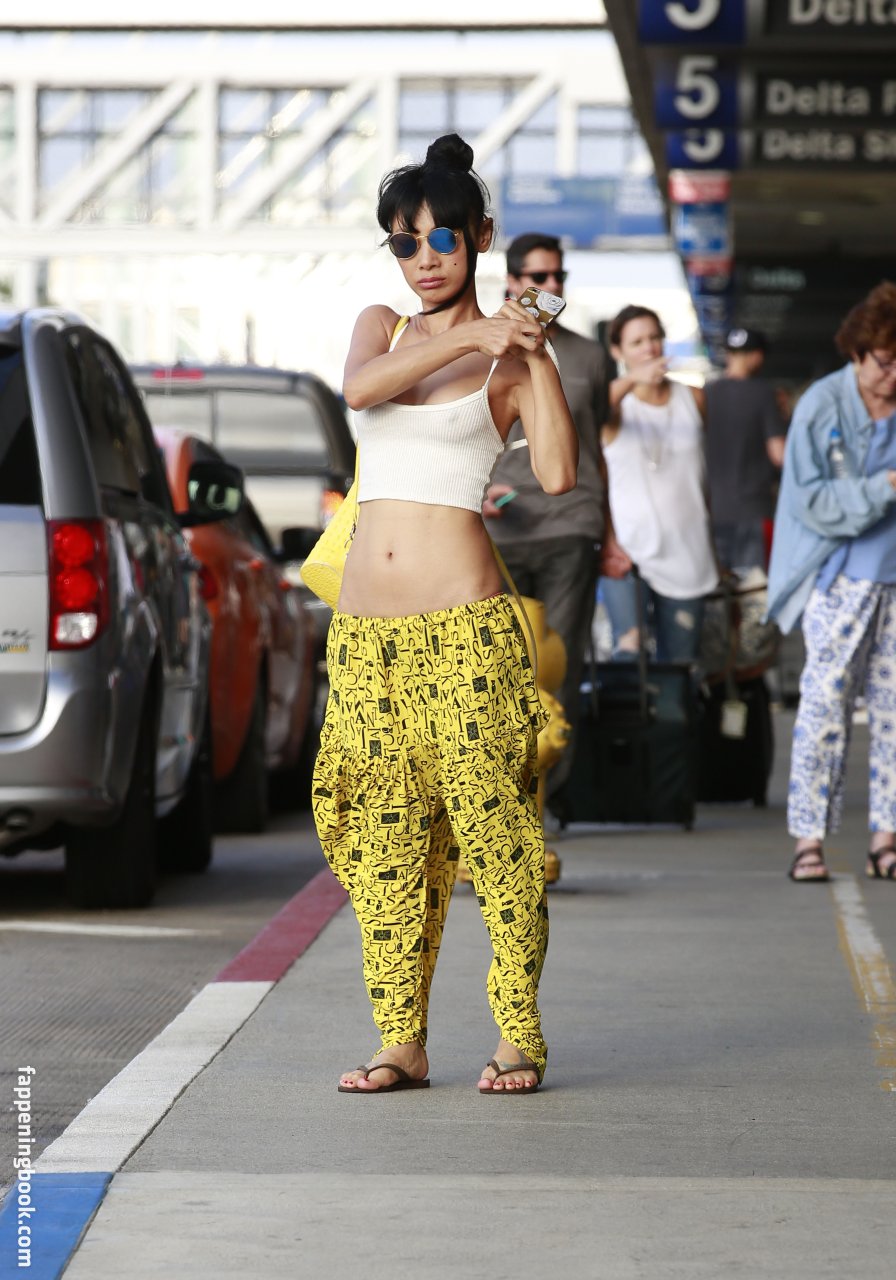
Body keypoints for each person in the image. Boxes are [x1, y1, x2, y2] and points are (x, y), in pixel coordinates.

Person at [312, 134, 578, 1094]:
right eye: (405, 241)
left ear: (481, 238)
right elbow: (359, 391)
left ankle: (518, 1036)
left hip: (466, 634)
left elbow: (558, 473)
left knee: (496, 833)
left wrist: (531, 354)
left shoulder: (511, 358)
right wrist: (475, 335)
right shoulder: (381, 327)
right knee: (382, 835)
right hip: (367, 641)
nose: (424, 259)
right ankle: (402, 1041)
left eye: (442, 239)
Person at [484, 232, 631, 809]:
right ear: (512, 281)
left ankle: (546, 796)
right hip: (501, 530)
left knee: (560, 659)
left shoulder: (590, 356)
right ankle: (502, 792)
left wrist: (611, 535)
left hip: (572, 523)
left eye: (558, 278)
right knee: (499, 663)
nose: (551, 287)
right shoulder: (483, 346)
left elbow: (597, 450)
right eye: (539, 278)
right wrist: (478, 491)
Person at [766, 281, 896, 884]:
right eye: (884, 362)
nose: (892, 376)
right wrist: (883, 488)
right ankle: (808, 839)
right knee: (824, 708)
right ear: (858, 352)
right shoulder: (822, 404)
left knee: (894, 714)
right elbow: (809, 502)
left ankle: (886, 839)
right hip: (839, 576)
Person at [598, 304, 718, 662]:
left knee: (680, 664)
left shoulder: (693, 397)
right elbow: (589, 411)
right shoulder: (615, 405)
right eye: (636, 342)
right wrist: (633, 379)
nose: (649, 347)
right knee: (628, 654)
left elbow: (702, 477)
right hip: (628, 552)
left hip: (688, 550)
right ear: (617, 351)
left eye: (654, 338)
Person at [705, 328, 787, 571]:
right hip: (753, 510)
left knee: (719, 587)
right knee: (753, 587)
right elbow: (779, 454)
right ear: (757, 356)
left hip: (712, 511)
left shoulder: (706, 393)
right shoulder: (763, 393)